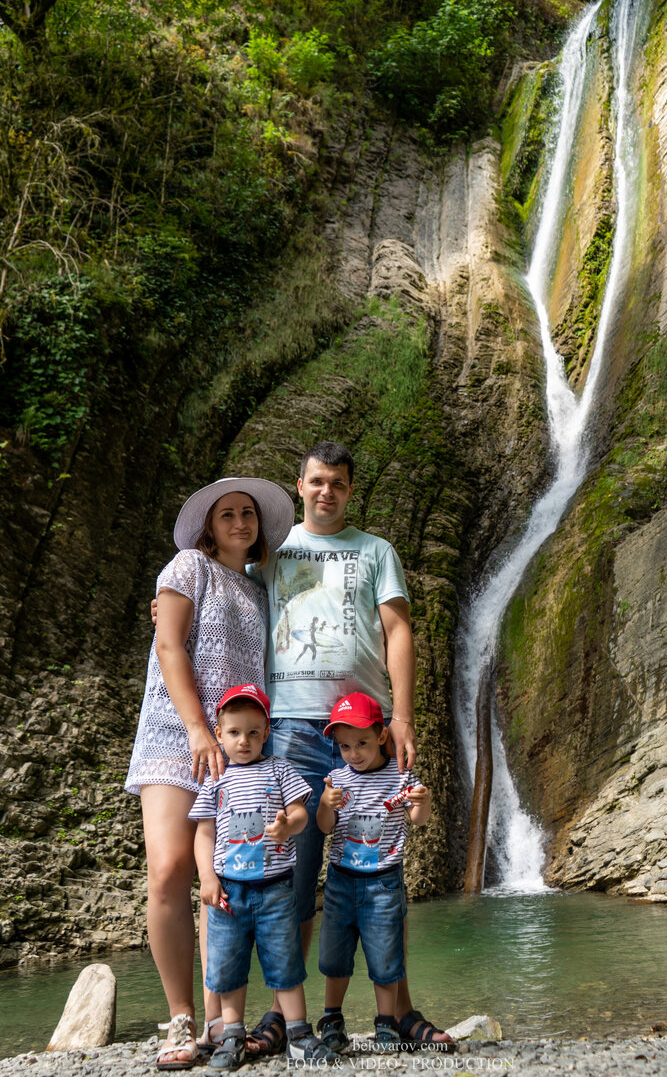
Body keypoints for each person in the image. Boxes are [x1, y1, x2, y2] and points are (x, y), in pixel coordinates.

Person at [247, 440, 455, 1053]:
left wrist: (405, 716)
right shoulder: (273, 551)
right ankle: (286, 1014)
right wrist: (169, 603)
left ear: (349, 490)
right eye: (316, 481)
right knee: (293, 872)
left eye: (337, 483)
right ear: (299, 485)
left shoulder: (375, 551)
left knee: (381, 872)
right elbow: (221, 589)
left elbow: (397, 629)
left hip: (361, 732)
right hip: (287, 727)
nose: (326, 492)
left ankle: (403, 1010)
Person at [126, 476, 294, 1069]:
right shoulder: (186, 567)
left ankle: (219, 1020)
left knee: (216, 877)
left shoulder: (257, 589)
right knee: (169, 868)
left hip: (236, 750)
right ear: (209, 523)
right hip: (178, 737)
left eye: (249, 514)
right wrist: (197, 727)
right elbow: (171, 647)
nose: (241, 522)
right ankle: (179, 1019)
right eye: (228, 514)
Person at [190, 684, 339, 1067]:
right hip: (229, 892)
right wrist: (207, 877)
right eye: (235, 733)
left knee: (286, 964)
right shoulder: (216, 777)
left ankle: (299, 1035)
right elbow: (204, 831)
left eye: (254, 732)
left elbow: (301, 812)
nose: (245, 741)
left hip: (275, 889)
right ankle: (231, 1036)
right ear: (219, 734)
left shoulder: (279, 769)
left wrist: (288, 826)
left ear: (267, 733)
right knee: (228, 966)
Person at [315, 692, 432, 1053]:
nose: (354, 753)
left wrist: (423, 802)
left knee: (386, 957)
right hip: (340, 880)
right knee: (334, 957)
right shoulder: (336, 779)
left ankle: (387, 1023)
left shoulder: (400, 776)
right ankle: (332, 1019)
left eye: (362, 743)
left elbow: (417, 819)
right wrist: (324, 804)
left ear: (382, 736)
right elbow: (324, 827)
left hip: (383, 882)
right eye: (345, 746)